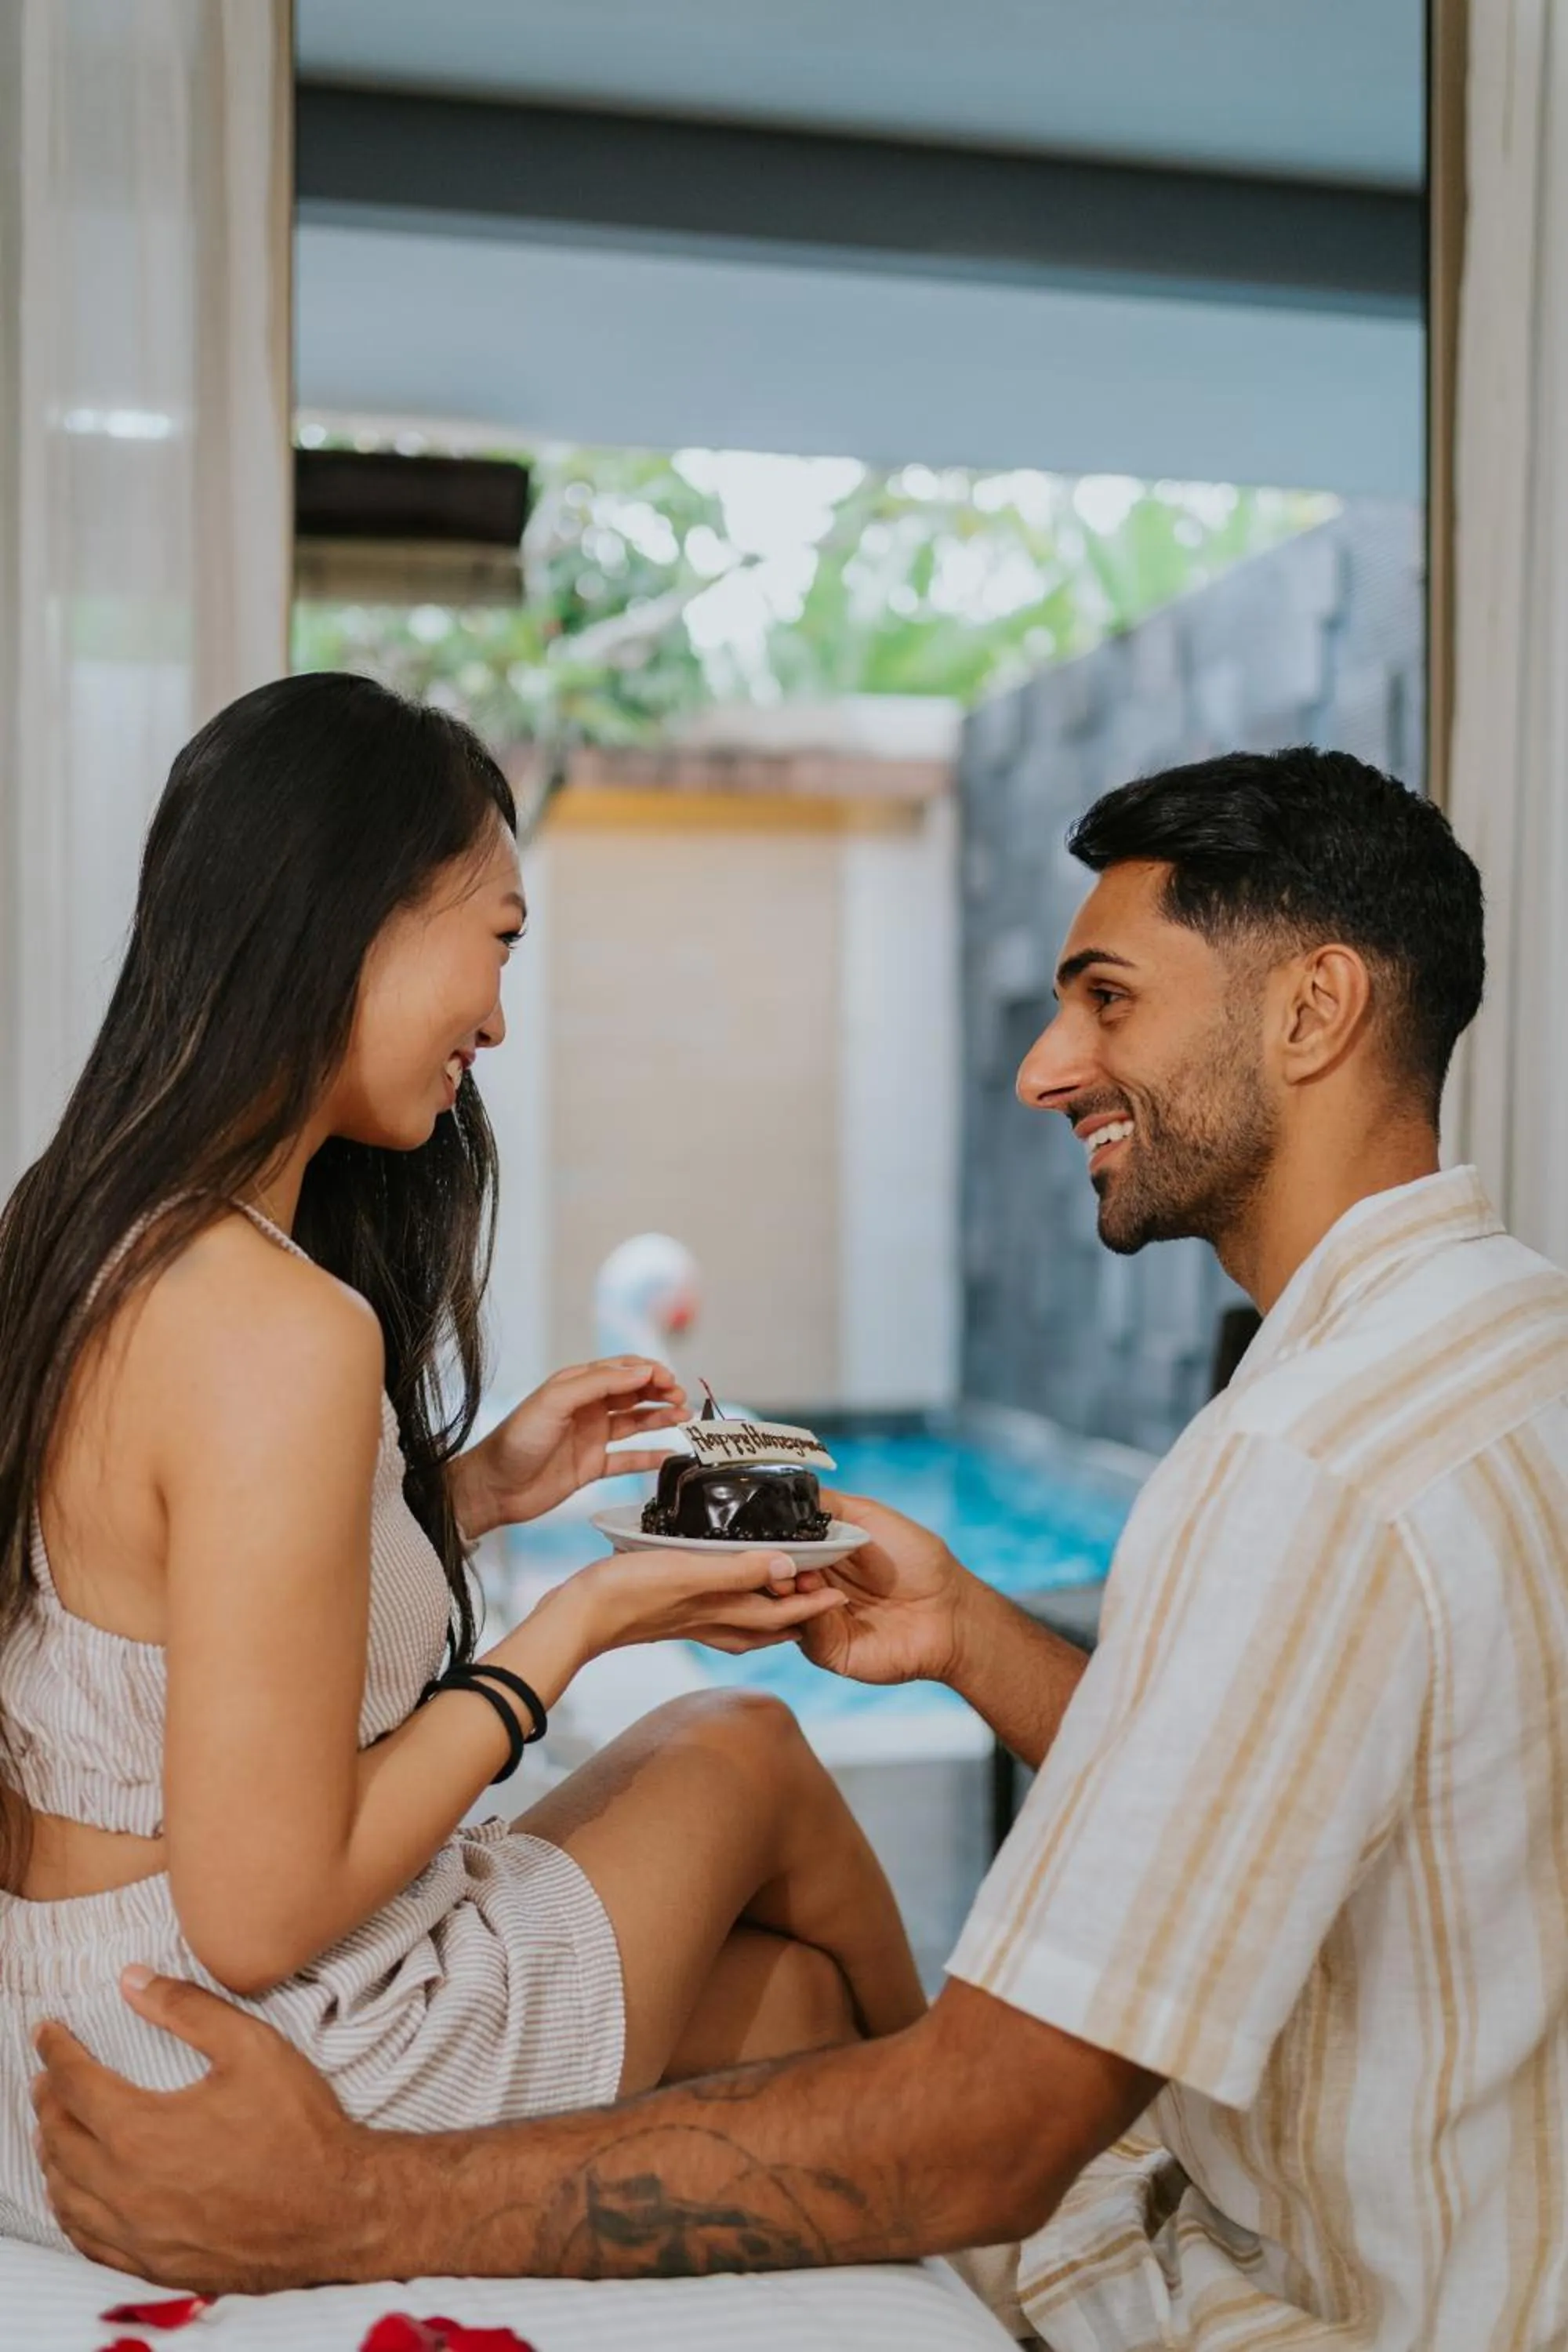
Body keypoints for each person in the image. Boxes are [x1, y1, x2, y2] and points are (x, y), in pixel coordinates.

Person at [32, 748, 1568, 2352]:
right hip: (1447, 2226)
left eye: (1106, 999)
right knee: (798, 1975)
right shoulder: (1499, 1350)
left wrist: (355, 2202)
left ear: (1314, 1011)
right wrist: (966, 1631)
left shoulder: (1301, 1462)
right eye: (497, 938)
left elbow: (991, 2128)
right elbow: (1267, 1774)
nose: (1046, 1068)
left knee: (779, 1874)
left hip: (1373, 2296)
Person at [0, 672, 925, 2249]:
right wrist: (591, 1618)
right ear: (353, 912)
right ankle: (997, 2177)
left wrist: (476, 1489)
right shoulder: (277, 1326)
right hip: (237, 2053)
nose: (497, 1017)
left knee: (789, 2007)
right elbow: (261, 1908)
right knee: (744, 1751)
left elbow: (171, 1599)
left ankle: (964, 2189)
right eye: (495, 939)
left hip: (57, 2042)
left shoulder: (73, 1234)